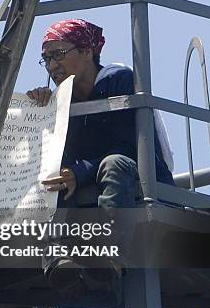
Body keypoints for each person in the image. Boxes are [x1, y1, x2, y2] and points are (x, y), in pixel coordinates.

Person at [26, 19, 175, 291]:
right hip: (91, 180)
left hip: (137, 174)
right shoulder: (62, 99)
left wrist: (79, 173)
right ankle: (58, 254)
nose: (52, 66)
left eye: (59, 54)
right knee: (53, 176)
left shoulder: (118, 79)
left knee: (114, 163)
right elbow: (49, 154)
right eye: (46, 59)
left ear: (87, 51)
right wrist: (40, 111)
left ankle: (109, 250)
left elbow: (128, 145)